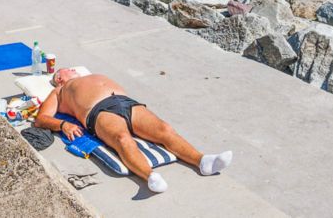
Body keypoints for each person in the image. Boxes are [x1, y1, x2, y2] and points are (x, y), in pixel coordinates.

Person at [34, 69, 233, 194]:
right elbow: (41, 119)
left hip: (126, 102)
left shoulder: (89, 75)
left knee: (164, 129)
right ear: (60, 77)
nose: (74, 70)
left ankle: (203, 161)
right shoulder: (59, 91)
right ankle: (149, 176)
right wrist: (62, 125)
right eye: (68, 70)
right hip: (98, 110)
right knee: (122, 138)